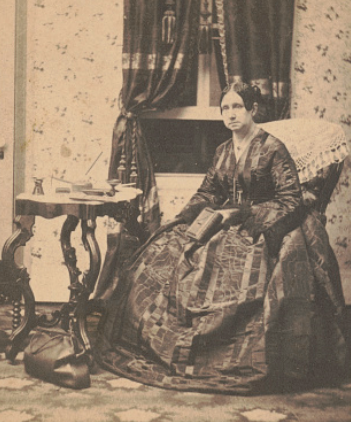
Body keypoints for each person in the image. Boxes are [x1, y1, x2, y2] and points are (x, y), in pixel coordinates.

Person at [95, 82, 347, 394]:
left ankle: (223, 353)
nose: (231, 114)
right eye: (225, 108)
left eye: (237, 106)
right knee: (168, 249)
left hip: (261, 223)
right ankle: (164, 344)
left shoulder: (272, 148)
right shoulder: (223, 150)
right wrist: (188, 216)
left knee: (227, 271)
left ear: (252, 109)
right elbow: (209, 191)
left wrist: (247, 216)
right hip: (225, 220)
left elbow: (291, 199)